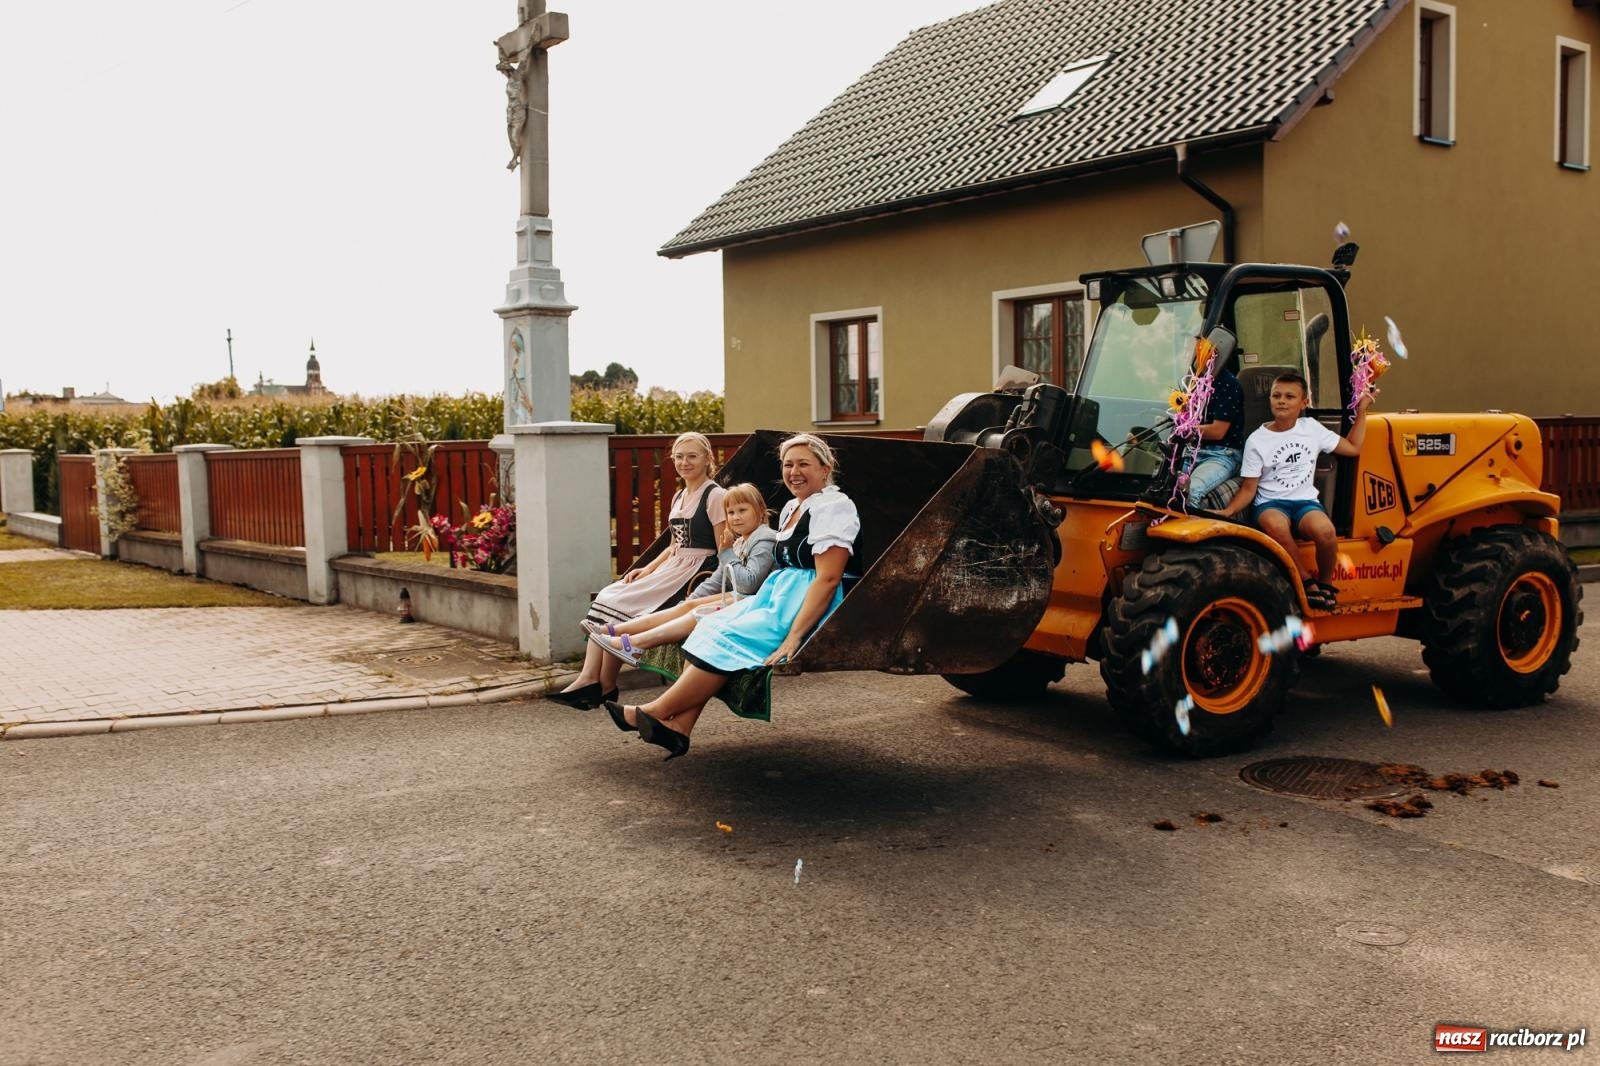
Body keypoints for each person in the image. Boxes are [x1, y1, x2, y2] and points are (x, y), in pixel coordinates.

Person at [602, 433, 859, 760]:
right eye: (788, 464)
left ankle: (654, 711)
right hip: (778, 594)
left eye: (804, 464)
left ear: (826, 467)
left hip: (807, 601)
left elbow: (828, 577)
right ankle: (680, 727)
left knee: (727, 632)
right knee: (710, 623)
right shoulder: (795, 506)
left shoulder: (835, 507)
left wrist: (794, 637)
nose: (794, 471)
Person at [546, 433, 728, 709]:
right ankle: (598, 680)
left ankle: (599, 683)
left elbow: (721, 549)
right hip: (673, 565)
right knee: (610, 594)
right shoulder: (680, 495)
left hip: (694, 570)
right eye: (679, 457)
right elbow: (673, 543)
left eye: (692, 456)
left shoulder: (715, 495)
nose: (685, 462)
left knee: (619, 603)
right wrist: (648, 568)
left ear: (707, 459)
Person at [1218, 372, 1374, 610]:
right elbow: (1250, 488)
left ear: (1304, 403)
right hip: (1270, 503)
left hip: (1304, 502)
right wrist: (1229, 511)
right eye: (1276, 395)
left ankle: (1325, 584)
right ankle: (1306, 582)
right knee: (1277, 527)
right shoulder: (1257, 440)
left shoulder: (1311, 428)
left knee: (1326, 532)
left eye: (1290, 396)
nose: (1281, 401)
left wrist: (1361, 410)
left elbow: (1352, 447)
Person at [583, 483, 777, 664]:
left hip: (756, 602)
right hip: (741, 597)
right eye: (730, 512)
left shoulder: (764, 538)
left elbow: (749, 584)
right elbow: (717, 579)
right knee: (689, 605)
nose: (735, 517)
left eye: (742, 510)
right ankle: (616, 630)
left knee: (694, 611)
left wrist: (727, 554)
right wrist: (690, 600)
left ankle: (633, 642)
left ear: (760, 511)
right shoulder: (740, 541)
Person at [1184, 354, 1246, 508]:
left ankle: (1188, 530)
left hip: (1221, 454)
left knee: (1190, 491)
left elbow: (1217, 431)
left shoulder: (1228, 384)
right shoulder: (1193, 381)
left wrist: (1183, 429)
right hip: (1191, 450)